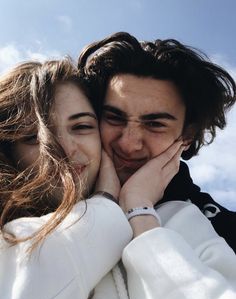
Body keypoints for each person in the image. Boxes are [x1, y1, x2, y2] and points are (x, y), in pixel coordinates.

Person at [0, 58, 236, 299]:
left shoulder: (182, 220)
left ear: (186, 136)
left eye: (81, 126)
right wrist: (105, 205)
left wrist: (140, 211)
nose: (65, 150)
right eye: (32, 137)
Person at [78, 31, 236, 253]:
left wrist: (137, 208)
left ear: (188, 135)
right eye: (114, 117)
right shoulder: (43, 198)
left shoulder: (228, 233)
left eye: (155, 124)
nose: (128, 144)